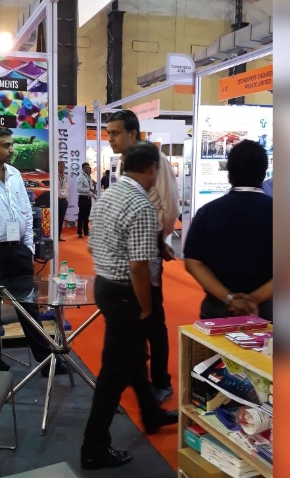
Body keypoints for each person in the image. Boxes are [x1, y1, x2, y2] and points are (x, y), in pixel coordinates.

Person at [81, 140, 177, 470]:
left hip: (106, 285)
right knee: (114, 374)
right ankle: (94, 447)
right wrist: (146, 307)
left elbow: (93, 244)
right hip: (126, 293)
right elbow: (139, 267)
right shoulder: (140, 205)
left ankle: (151, 415)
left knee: (134, 358)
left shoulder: (108, 195)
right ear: (151, 168)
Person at [0, 125, 66, 375]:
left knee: (29, 307)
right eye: (6, 145)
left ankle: (45, 360)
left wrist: (28, 246)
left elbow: (26, 212)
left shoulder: (15, 174)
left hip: (19, 251)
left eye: (12, 144)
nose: (12, 149)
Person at [107, 109, 179, 404]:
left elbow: (170, 206)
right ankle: (135, 375)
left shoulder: (155, 160)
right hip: (125, 250)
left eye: (115, 133)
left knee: (153, 318)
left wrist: (158, 240)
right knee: (131, 315)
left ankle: (161, 381)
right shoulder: (122, 162)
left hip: (147, 247)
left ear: (132, 133)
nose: (110, 139)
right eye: (108, 133)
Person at [183, 140, 272, 321]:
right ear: (264, 174)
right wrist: (254, 299)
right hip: (267, 309)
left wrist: (229, 298)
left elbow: (193, 262)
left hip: (218, 309)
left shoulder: (208, 212)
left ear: (229, 174)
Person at [76, 162, 94, 238]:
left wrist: (92, 191)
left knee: (87, 216)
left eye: (88, 167)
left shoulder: (89, 177)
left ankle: (86, 231)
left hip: (88, 198)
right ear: (83, 168)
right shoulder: (80, 177)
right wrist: (89, 189)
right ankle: (79, 232)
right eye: (86, 167)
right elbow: (79, 189)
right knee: (81, 216)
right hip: (82, 198)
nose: (87, 168)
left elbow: (91, 187)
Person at [57, 161, 69, 241]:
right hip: (57, 200)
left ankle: (59, 236)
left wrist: (67, 199)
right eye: (61, 166)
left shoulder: (66, 177)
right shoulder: (54, 176)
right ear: (57, 167)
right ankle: (54, 236)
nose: (63, 168)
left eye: (64, 166)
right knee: (56, 219)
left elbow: (67, 189)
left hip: (64, 201)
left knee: (61, 219)